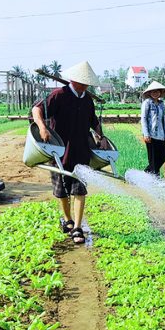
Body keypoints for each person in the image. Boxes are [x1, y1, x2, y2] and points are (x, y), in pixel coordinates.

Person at [32, 61, 103, 244]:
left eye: (87, 83)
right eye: (83, 82)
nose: (85, 86)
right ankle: (68, 220)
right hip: (59, 150)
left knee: (80, 189)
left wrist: (99, 134)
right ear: (74, 80)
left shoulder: (87, 99)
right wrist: (42, 127)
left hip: (81, 151)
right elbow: (36, 109)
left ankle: (78, 227)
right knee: (61, 190)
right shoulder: (59, 95)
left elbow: (93, 120)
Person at [140, 80, 165, 175]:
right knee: (153, 159)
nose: (155, 93)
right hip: (151, 135)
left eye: (157, 91)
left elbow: (163, 120)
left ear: (160, 93)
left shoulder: (161, 104)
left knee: (164, 155)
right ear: (149, 93)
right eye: (153, 91)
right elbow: (144, 118)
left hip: (161, 135)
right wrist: (146, 134)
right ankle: (154, 177)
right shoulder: (147, 103)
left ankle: (146, 173)